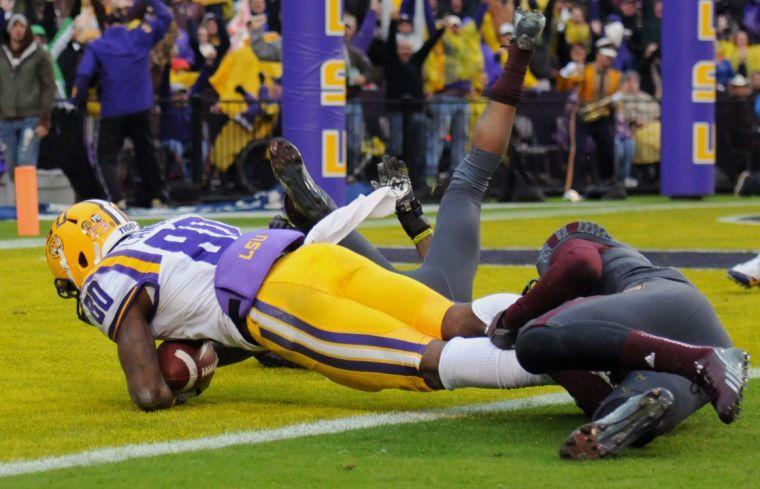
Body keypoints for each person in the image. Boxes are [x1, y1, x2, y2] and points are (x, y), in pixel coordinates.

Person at [44, 9, 551, 410]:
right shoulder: (173, 225)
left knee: (430, 362)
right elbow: (205, 303)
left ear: (82, 258)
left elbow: (149, 392)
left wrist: (185, 383)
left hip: (275, 300)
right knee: (452, 313)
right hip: (309, 257)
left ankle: (573, 355)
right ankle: (557, 310)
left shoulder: (108, 277)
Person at [487, 221, 750, 459]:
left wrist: (511, 319)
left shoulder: (576, 241)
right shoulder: (604, 322)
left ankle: (700, 361)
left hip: (662, 303)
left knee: (533, 338)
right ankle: (684, 373)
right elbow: (593, 397)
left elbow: (581, 265)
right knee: (626, 408)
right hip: (702, 335)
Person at [71, 0, 173, 209]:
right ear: (125, 23)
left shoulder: (98, 45)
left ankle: (117, 199)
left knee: (105, 156)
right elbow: (167, 17)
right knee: (146, 153)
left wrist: (76, 100)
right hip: (141, 107)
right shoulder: (140, 37)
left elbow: (83, 75)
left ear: (106, 26)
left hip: (113, 109)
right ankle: (157, 197)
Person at [384, 10, 445, 194]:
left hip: (417, 112)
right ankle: (392, 185)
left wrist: (441, 30)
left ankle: (417, 185)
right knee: (396, 148)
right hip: (397, 112)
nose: (405, 52)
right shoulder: (392, 63)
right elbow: (389, 45)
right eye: (402, 49)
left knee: (418, 149)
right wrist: (393, 24)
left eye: (408, 49)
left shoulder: (416, 62)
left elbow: (428, 45)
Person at [558, 37, 622, 197]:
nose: (609, 60)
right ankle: (572, 187)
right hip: (583, 113)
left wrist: (616, 100)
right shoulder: (586, 70)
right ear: (598, 55)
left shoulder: (615, 75)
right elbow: (566, 85)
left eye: (611, 58)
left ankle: (607, 183)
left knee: (607, 150)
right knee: (578, 150)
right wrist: (571, 71)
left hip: (604, 115)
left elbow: (617, 95)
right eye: (606, 57)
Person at [0, 13, 55, 174]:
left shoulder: (39, 54)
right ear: (9, 30)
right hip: (6, 118)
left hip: (32, 117)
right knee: (10, 166)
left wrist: (45, 120)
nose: (18, 30)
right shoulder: (1, 53)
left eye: (22, 26)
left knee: (25, 164)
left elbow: (48, 86)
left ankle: (27, 200)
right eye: (15, 26)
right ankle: (19, 200)